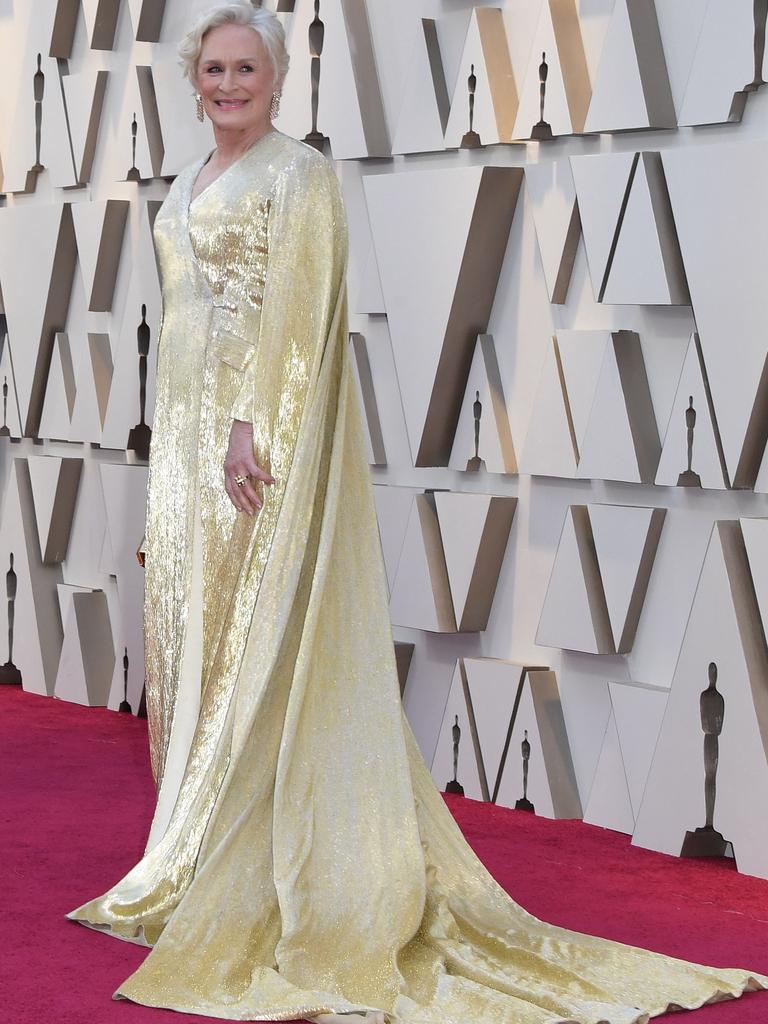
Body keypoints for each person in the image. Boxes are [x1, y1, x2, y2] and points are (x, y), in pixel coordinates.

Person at [66, 3, 768, 1022]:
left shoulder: (298, 172)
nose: (227, 84)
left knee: (256, 638)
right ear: (194, 78)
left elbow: (303, 314)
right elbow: (184, 311)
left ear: (274, 77)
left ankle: (265, 866)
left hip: (247, 447)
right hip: (183, 444)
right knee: (197, 643)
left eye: (245, 68)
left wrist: (252, 425)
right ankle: (192, 850)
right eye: (212, 68)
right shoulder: (188, 180)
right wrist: (178, 442)